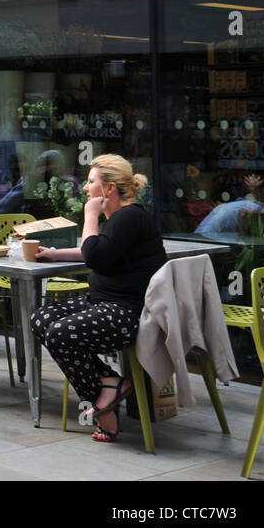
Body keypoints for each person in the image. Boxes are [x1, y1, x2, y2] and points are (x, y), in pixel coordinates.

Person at [30, 154, 165, 443]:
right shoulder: (122, 218)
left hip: (128, 313)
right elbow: (100, 249)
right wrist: (54, 253)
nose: (85, 189)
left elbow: (94, 255)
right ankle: (109, 383)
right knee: (41, 318)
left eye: (91, 182)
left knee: (60, 334)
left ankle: (103, 402)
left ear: (110, 189)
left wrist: (90, 215)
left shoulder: (129, 216)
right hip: (104, 303)